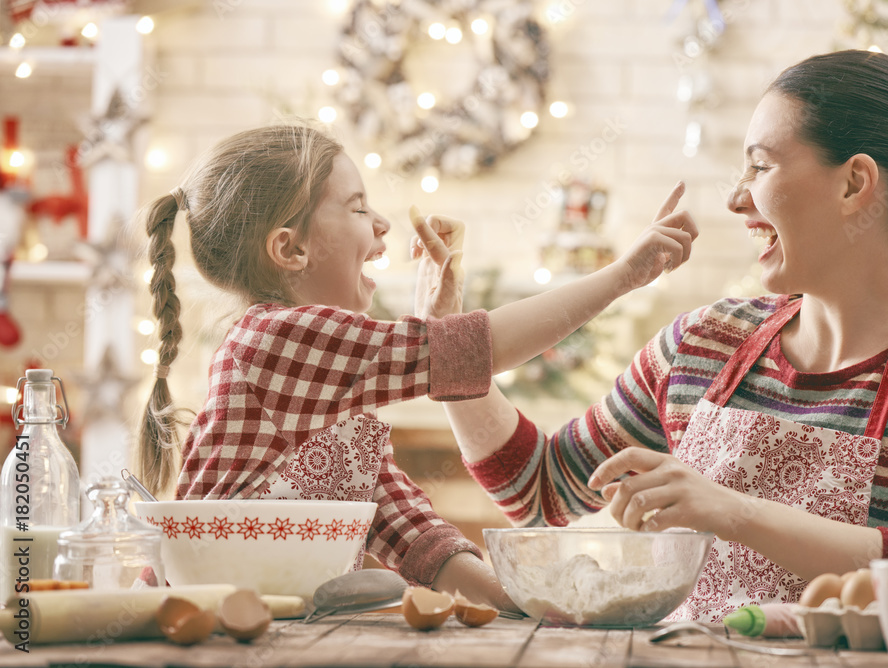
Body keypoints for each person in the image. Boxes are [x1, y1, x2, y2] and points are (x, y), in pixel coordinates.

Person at [442, 49, 888, 621]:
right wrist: (445, 347)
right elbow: (542, 490)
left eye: (760, 167)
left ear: (855, 183)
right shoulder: (703, 345)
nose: (737, 200)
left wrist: (735, 512)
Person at [135, 123, 697, 611]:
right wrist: (623, 276)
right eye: (357, 207)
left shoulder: (329, 395)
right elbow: (475, 350)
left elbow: (406, 529)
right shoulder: (275, 338)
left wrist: (522, 596)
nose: (381, 223)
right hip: (192, 621)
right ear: (290, 250)